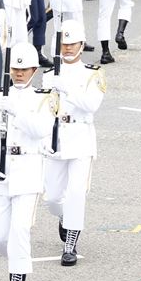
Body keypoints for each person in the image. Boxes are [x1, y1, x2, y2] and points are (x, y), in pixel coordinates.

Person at [0, 42, 54, 281]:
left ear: (34, 70)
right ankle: (16, 264)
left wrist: (17, 111)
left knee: (20, 230)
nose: (19, 73)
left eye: (24, 69)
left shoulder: (43, 98)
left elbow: (41, 130)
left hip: (28, 170)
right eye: (15, 68)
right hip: (1, 172)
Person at [42, 19, 105, 266]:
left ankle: (70, 245)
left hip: (80, 138)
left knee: (77, 193)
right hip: (55, 139)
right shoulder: (49, 76)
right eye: (64, 44)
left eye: (73, 43)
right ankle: (65, 218)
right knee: (52, 198)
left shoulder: (93, 74)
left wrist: (66, 88)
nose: (68, 48)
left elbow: (92, 105)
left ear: (81, 44)